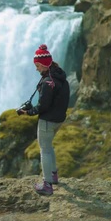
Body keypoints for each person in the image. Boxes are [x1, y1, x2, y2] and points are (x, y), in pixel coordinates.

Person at [17, 44, 70, 196]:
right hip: (59, 119)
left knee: (44, 149)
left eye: (38, 65)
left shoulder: (47, 83)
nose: (36, 69)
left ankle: (47, 185)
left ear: (45, 64)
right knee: (49, 146)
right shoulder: (60, 77)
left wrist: (28, 112)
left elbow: (42, 106)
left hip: (47, 121)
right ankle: (53, 175)